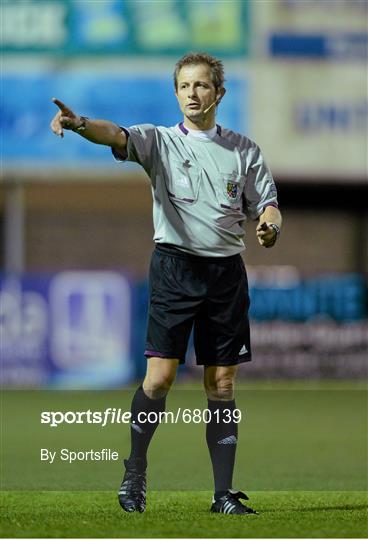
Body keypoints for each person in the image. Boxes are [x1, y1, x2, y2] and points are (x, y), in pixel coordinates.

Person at [50, 52, 282, 516]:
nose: (192, 94)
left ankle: (222, 495)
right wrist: (79, 125)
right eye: (184, 86)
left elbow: (269, 205)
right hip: (175, 269)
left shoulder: (244, 150)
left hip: (225, 274)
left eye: (201, 86)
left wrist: (270, 226)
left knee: (222, 383)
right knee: (160, 378)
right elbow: (115, 134)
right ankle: (135, 471)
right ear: (175, 93)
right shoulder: (159, 142)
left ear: (220, 92)